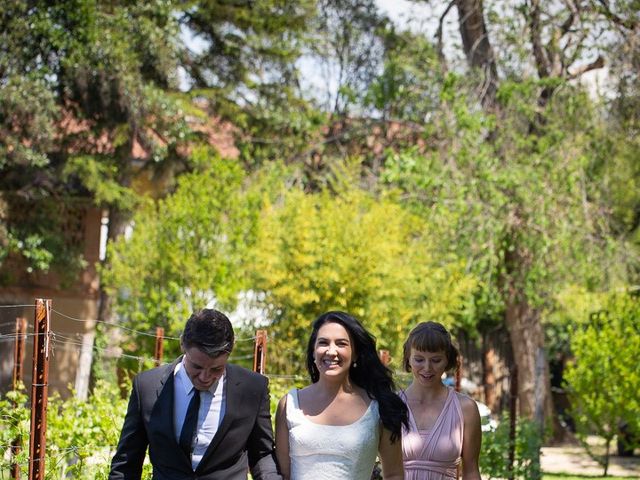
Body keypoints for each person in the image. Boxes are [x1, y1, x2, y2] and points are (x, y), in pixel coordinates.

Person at [109, 308, 282, 480]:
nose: (205, 377)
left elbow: (262, 455)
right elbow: (127, 464)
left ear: (230, 351)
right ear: (182, 344)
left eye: (216, 369)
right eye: (197, 367)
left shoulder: (253, 388)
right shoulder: (146, 387)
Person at [275, 311, 407, 480]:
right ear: (313, 352)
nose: (331, 351)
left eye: (341, 344)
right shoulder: (289, 404)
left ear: (356, 354)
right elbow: (282, 474)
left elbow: (394, 474)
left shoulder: (379, 407)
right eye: (323, 343)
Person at [400, 322, 482, 479]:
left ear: (448, 361)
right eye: (419, 359)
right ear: (408, 359)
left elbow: (471, 470)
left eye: (436, 360)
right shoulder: (392, 405)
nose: (427, 367)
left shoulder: (466, 409)